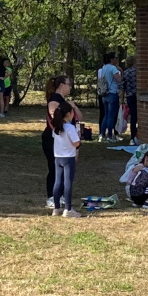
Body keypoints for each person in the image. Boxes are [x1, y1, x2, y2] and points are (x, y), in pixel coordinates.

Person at [47, 75, 80, 217]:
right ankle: (68, 208)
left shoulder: (57, 128)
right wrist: (77, 134)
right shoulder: (70, 128)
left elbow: (56, 138)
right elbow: (76, 143)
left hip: (58, 157)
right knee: (67, 182)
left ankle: (57, 208)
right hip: (68, 158)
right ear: (70, 114)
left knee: (57, 182)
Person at [96, 53, 121, 140]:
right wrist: (120, 72)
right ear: (111, 59)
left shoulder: (103, 68)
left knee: (106, 115)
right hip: (112, 93)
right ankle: (110, 135)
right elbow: (118, 79)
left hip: (104, 93)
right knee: (111, 115)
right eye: (115, 58)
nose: (117, 60)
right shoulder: (113, 68)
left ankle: (102, 134)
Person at [119, 53, 139, 139]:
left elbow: (122, 88)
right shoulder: (138, 72)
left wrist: (122, 99)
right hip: (137, 96)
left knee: (133, 117)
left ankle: (132, 136)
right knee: (139, 116)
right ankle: (138, 134)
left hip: (130, 96)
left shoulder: (126, 73)